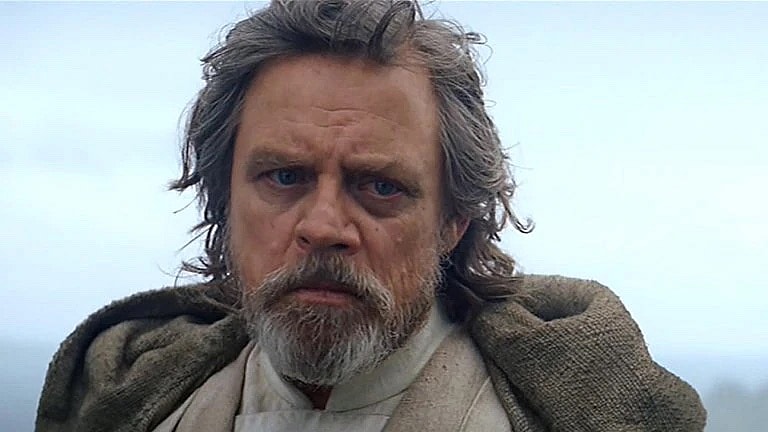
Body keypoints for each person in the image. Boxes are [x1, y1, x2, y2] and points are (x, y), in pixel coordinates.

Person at [36, 1, 706, 431]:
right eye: (285, 177)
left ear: (453, 221)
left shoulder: (552, 416)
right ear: (223, 199)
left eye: (380, 186)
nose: (325, 226)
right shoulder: (136, 405)